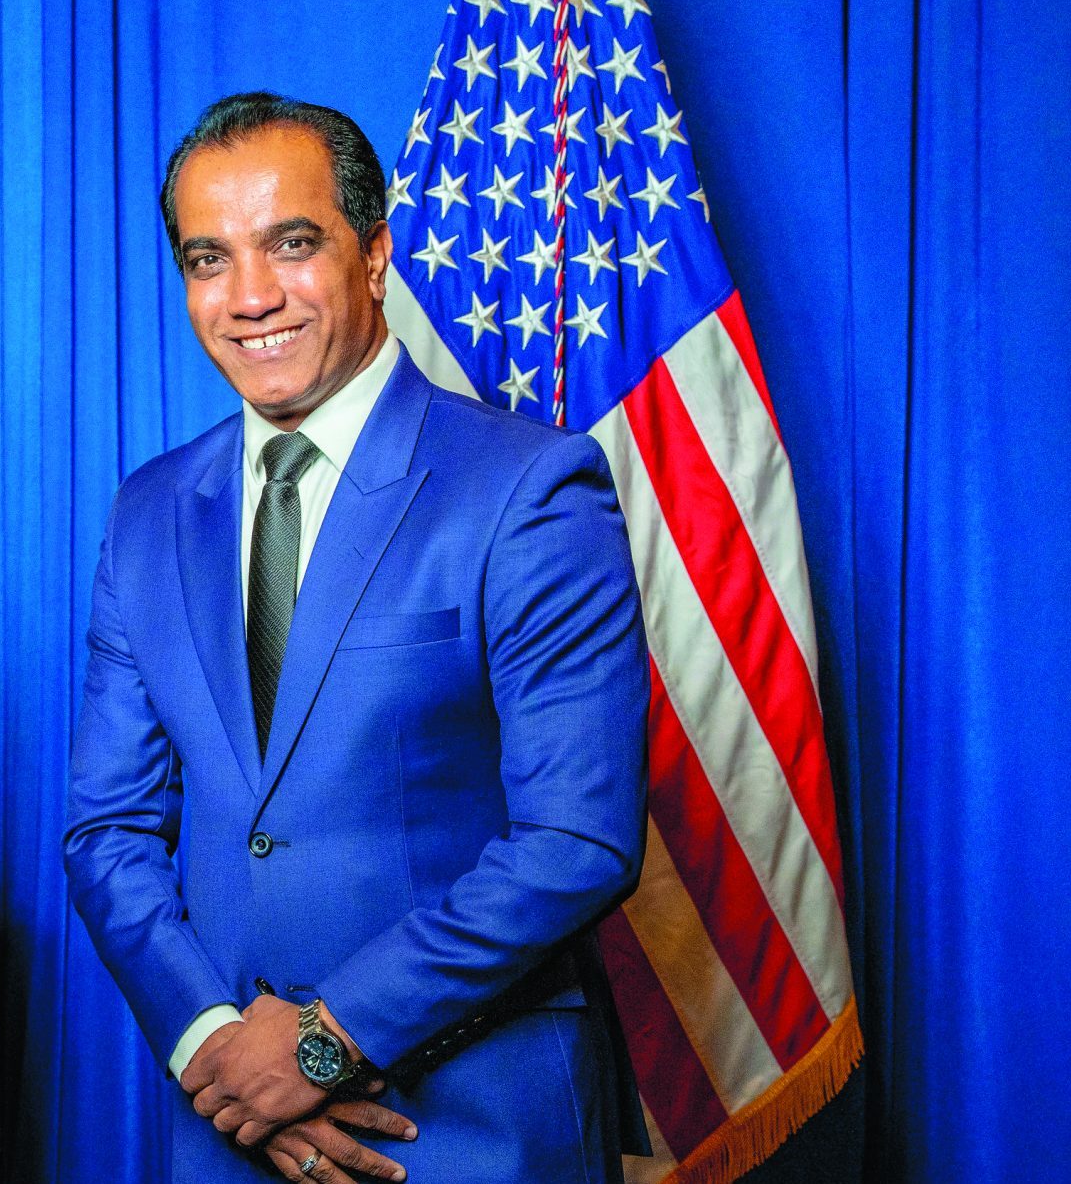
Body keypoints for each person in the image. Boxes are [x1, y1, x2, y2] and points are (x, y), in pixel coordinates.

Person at [65, 92, 650, 1184]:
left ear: (374, 255)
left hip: (469, 1132)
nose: (250, 296)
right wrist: (220, 1055)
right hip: (230, 1135)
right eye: (207, 259)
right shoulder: (147, 512)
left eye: (291, 244)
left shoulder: (527, 488)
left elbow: (578, 839)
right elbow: (108, 831)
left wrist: (323, 1044)